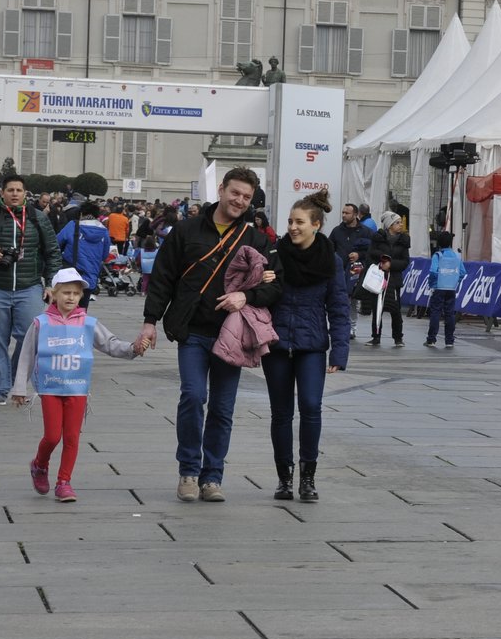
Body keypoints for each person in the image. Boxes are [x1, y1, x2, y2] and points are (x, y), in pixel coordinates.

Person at [138, 167, 282, 504]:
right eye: (235, 193)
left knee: (222, 407)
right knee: (192, 396)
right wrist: (150, 321)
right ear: (222, 189)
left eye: (246, 197)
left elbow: (276, 288)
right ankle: (189, 469)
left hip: (232, 335)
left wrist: (247, 297)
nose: (239, 201)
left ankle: (212, 477)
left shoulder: (256, 239)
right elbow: (163, 277)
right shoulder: (187, 230)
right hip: (193, 331)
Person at [10, 268, 148, 502]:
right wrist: (19, 388)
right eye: (66, 292)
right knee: (53, 436)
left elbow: (110, 344)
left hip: (78, 388)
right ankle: (39, 464)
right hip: (50, 388)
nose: (71, 297)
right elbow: (27, 354)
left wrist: (132, 348)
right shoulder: (40, 323)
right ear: (54, 294)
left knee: (72, 437)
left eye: (76, 293)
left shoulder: (88, 323)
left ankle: (64, 482)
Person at [265, 190, 351, 503]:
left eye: (299, 222)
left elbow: (339, 308)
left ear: (316, 224)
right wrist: (263, 281)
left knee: (311, 407)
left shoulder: (331, 260)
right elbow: (259, 299)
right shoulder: (275, 256)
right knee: (281, 413)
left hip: (312, 345)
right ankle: (285, 479)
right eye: (290, 221)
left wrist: (339, 352)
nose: (293, 227)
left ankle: (308, 478)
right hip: (277, 344)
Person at [0, 174, 63, 407]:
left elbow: (53, 253)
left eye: (19, 190)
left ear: (25, 193)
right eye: (10, 190)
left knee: (30, 337)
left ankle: (16, 382)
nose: (15, 194)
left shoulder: (38, 218)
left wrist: (50, 284)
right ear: (2, 193)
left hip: (29, 287)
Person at [365, 212, 410, 347]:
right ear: (389, 225)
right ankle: (376, 336)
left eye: (400, 222)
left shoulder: (403, 241)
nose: (400, 225)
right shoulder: (378, 238)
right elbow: (370, 255)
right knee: (377, 308)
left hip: (394, 279)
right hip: (379, 278)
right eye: (397, 222)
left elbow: (405, 261)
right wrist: (381, 261)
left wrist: (391, 265)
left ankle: (398, 337)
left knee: (395, 309)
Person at [57, 201, 110, 308]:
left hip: (71, 274)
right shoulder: (104, 231)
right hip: (90, 275)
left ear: (81, 214)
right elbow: (104, 255)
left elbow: (56, 243)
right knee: (81, 311)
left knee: (64, 309)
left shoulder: (73, 226)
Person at [424, 230, 462, 349]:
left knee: (436, 312)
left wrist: (432, 284)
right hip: (451, 288)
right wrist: (455, 280)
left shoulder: (438, 256)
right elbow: (462, 272)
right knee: (450, 314)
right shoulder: (457, 256)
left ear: (439, 244)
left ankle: (431, 339)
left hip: (439, 287)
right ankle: (449, 340)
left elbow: (433, 271)